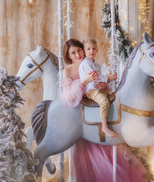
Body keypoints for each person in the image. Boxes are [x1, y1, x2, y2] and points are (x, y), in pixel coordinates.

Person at [60, 38, 148, 182]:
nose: (77, 54)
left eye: (79, 50)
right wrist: (84, 82)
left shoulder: (89, 63)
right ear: (69, 56)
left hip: (95, 106)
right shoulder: (67, 71)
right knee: (87, 152)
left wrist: (102, 85)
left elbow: (98, 84)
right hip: (81, 113)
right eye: (73, 53)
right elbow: (69, 98)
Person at [79, 38, 118, 138]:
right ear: (84, 51)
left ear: (97, 50)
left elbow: (100, 79)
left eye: (93, 48)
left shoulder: (97, 65)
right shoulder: (85, 63)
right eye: (88, 49)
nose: (91, 51)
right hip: (90, 90)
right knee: (104, 101)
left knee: (114, 98)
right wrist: (108, 78)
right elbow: (95, 77)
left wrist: (105, 84)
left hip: (98, 88)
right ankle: (104, 127)